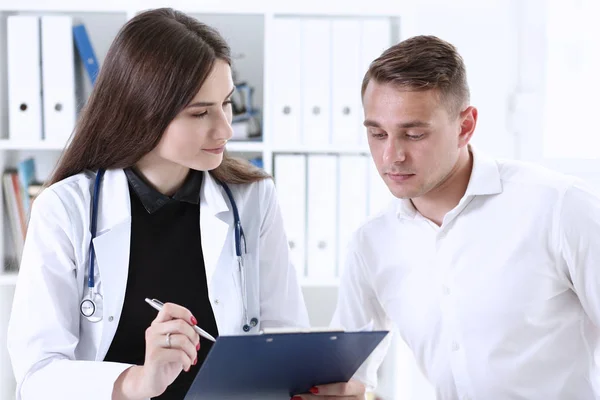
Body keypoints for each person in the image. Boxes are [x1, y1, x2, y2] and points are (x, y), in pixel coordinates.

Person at [7, 8, 309, 400]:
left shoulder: (252, 199)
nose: (226, 129)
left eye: (227, 103)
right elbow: (36, 378)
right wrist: (138, 381)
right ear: (142, 113)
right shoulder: (65, 209)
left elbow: (287, 341)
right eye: (200, 112)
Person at [319, 35, 600, 400]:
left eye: (414, 133)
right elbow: (346, 378)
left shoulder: (560, 208)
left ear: (465, 126)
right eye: (377, 133)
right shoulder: (371, 244)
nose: (391, 156)